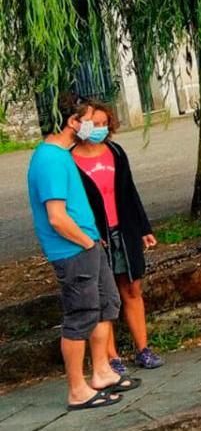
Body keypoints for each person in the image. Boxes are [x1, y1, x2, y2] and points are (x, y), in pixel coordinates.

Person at [28, 93, 134, 411]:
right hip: (73, 249)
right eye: (89, 119)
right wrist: (86, 242)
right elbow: (56, 217)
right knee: (81, 315)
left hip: (88, 243)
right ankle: (77, 389)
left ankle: (101, 372)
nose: (94, 126)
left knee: (106, 303)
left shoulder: (62, 155)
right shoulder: (49, 159)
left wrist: (92, 240)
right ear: (73, 122)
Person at [71, 101, 165, 375]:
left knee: (132, 288)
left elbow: (130, 192)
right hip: (95, 236)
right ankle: (111, 357)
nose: (99, 128)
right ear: (80, 124)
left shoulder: (115, 151)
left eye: (104, 123)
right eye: (94, 123)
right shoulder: (70, 160)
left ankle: (143, 349)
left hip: (124, 230)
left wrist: (144, 228)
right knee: (105, 295)